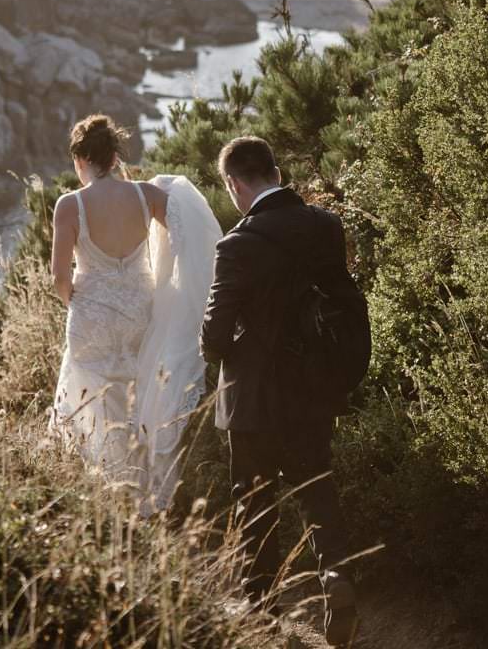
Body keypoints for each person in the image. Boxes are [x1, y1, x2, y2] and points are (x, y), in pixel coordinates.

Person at [201, 135, 366, 646]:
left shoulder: (237, 245)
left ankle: (264, 615)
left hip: (252, 402)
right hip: (313, 392)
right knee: (318, 492)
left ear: (233, 184)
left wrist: (231, 345)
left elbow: (213, 334)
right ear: (275, 170)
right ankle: (337, 580)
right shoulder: (325, 225)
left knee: (255, 507)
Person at [50, 114, 220, 513]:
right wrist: (173, 286)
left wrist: (76, 301)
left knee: (94, 401)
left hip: (91, 314)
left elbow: (59, 276)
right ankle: (147, 495)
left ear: (80, 159)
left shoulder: (69, 205)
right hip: (140, 312)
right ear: (114, 156)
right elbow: (186, 236)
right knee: (139, 396)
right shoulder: (148, 195)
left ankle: (109, 493)